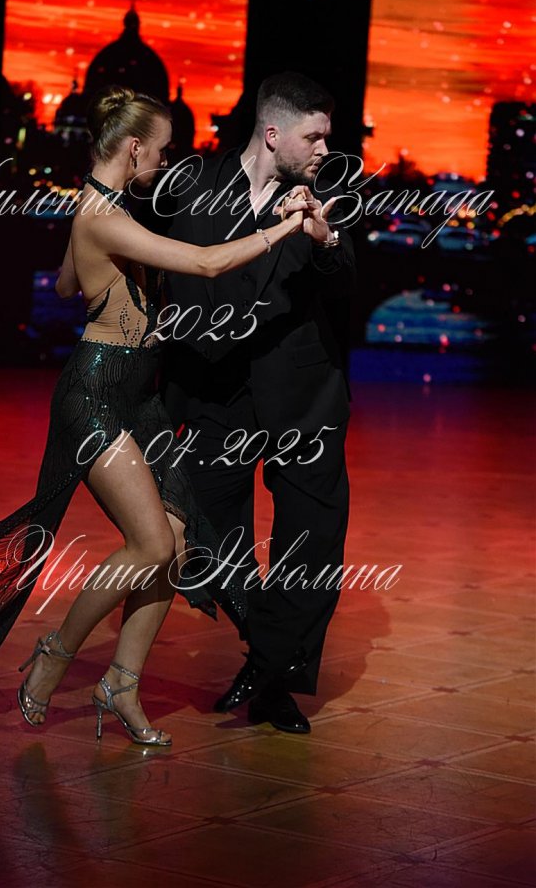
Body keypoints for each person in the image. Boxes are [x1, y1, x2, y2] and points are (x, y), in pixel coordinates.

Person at [0, 84, 309, 747]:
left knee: (176, 544)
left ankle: (121, 686)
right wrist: (285, 225)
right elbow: (205, 262)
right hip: (98, 393)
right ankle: (53, 652)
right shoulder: (102, 214)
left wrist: (107, 274)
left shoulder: (104, 209)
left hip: (140, 395)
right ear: (134, 148)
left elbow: (64, 284)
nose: (165, 160)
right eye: (161, 150)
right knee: (151, 545)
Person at [163, 72, 356, 734]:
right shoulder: (196, 185)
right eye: (314, 136)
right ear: (273, 133)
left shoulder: (328, 191)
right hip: (218, 397)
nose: (326, 147)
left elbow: (346, 276)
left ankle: (272, 679)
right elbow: (168, 272)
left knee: (315, 540)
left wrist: (323, 236)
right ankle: (270, 653)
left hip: (304, 400)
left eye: (328, 135)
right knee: (209, 535)